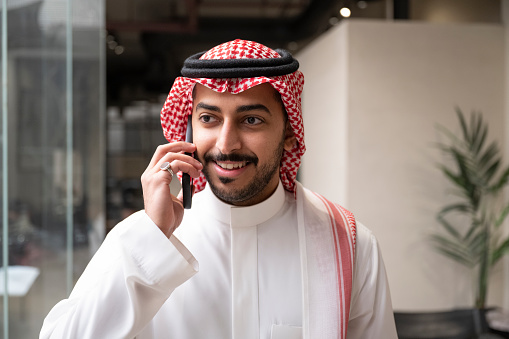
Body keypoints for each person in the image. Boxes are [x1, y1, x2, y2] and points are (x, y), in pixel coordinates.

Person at [40, 39, 398, 339]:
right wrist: (153, 238)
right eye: (208, 119)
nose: (226, 145)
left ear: (289, 134)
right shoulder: (141, 237)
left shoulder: (348, 243)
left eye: (251, 120)